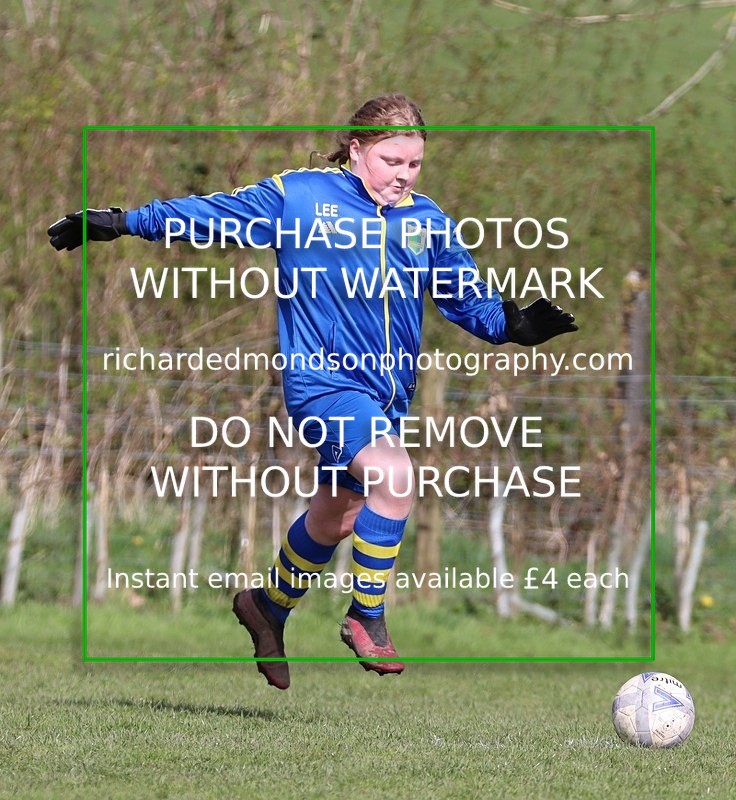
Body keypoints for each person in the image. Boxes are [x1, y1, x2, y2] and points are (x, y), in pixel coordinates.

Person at [49, 94, 577, 690]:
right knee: (395, 478)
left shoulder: (426, 221)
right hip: (322, 382)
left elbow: (466, 298)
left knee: (337, 516)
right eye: (390, 160)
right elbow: (213, 215)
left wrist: (516, 327)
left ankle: (267, 606)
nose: (402, 176)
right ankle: (366, 616)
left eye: (414, 164)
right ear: (356, 149)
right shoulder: (299, 196)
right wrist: (121, 221)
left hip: (384, 397)